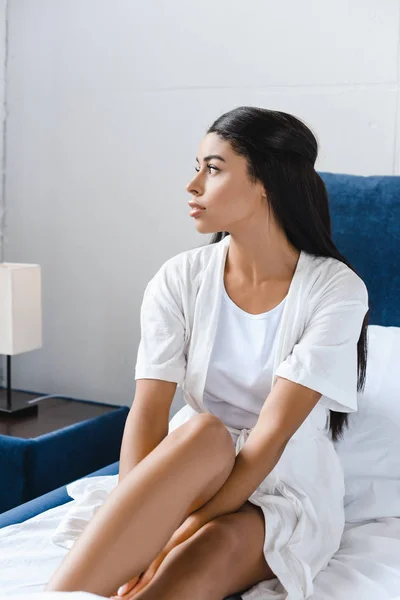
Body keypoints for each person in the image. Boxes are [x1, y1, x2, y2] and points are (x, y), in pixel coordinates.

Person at [44, 106, 369, 600]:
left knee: (193, 562)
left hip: (280, 486)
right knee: (202, 429)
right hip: (192, 465)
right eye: (196, 167)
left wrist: (174, 538)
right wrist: (139, 525)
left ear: (267, 183)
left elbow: (269, 439)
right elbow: (149, 414)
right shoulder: (180, 278)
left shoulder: (336, 291)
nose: (193, 185)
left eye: (213, 169)